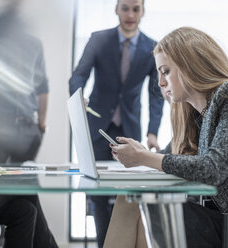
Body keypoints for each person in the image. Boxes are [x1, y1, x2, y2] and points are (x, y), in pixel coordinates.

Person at [104, 27, 228, 248]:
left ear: (190, 66)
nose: (161, 82)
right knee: (129, 199)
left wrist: (144, 157)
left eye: (165, 71)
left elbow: (213, 168)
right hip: (211, 217)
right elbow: (166, 157)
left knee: (143, 210)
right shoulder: (194, 113)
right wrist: (139, 151)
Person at [69, 0, 164, 246]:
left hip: (130, 130)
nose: (130, 14)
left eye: (136, 8)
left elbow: (156, 95)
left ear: (143, 11)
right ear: (116, 9)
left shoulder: (152, 47)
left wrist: (153, 132)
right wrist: (78, 95)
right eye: (125, 8)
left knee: (125, 194)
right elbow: (79, 74)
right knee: (98, 196)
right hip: (98, 128)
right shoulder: (98, 39)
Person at [0, 2, 58, 247]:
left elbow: (42, 87)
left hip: (27, 130)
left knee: (24, 195)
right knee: (21, 192)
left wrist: (41, 125)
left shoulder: (34, 44)